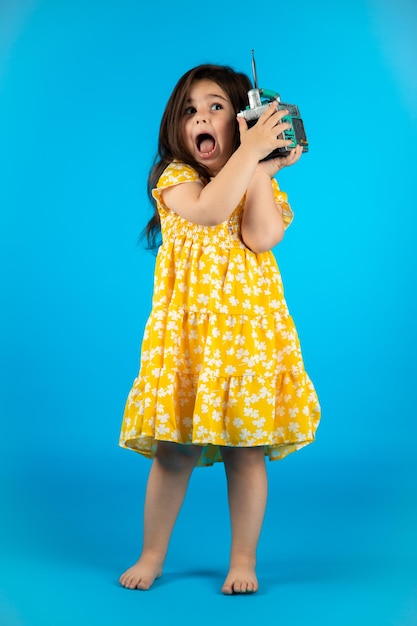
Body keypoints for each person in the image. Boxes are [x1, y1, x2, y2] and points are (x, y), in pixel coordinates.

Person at [118, 63, 320, 595]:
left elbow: (260, 236)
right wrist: (251, 157)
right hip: (188, 345)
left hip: (247, 346)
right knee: (173, 452)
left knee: (246, 452)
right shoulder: (176, 179)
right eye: (190, 111)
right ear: (176, 127)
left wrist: (258, 169)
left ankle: (244, 560)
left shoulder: (255, 177)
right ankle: (153, 552)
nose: (200, 118)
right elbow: (209, 211)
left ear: (241, 121)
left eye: (216, 108)